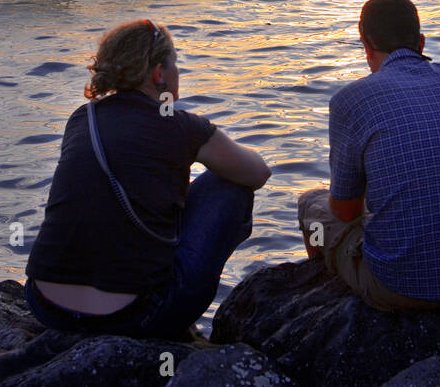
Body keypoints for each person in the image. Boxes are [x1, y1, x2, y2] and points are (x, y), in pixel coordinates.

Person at [25, 19, 270, 339]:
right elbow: (257, 173)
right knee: (228, 188)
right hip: (135, 317)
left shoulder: (82, 119)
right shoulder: (182, 126)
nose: (178, 72)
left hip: (46, 307)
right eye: (176, 64)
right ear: (159, 74)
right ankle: (164, 311)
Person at [297, 0, 440, 312]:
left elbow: (345, 212)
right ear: (421, 42)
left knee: (309, 204)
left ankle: (319, 290)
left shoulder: (351, 99)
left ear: (366, 45)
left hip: (404, 288)